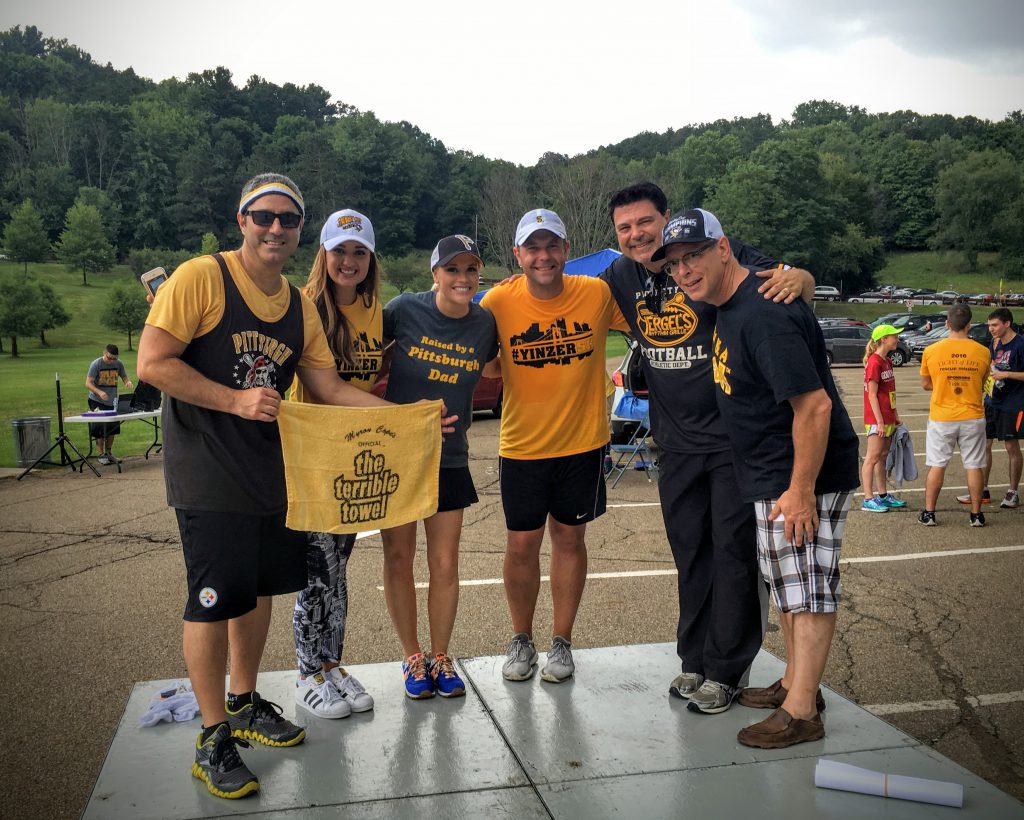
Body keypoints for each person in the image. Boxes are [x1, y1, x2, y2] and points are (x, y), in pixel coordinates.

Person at [137, 174, 413, 800]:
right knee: (213, 600)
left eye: (288, 220)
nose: (275, 228)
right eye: (264, 216)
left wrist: (399, 418)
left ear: (299, 231)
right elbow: (152, 363)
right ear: (242, 220)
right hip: (207, 472)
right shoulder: (201, 278)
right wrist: (233, 400)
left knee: (257, 591)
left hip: (270, 470)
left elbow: (327, 387)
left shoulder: (297, 305)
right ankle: (212, 738)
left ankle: (242, 701)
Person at [601, 182, 815, 714]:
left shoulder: (718, 250)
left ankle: (726, 670)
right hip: (673, 443)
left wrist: (804, 277)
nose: (635, 235)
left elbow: (789, 281)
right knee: (690, 554)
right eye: (624, 228)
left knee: (734, 556)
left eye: (644, 223)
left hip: (731, 440)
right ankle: (693, 659)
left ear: (666, 219)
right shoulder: (621, 276)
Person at [655, 208, 859, 749]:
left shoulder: (763, 313)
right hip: (769, 473)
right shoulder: (729, 305)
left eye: (693, 255)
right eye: (675, 263)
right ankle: (795, 682)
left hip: (798, 474)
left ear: (726, 249)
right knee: (787, 586)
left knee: (808, 589)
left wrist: (800, 490)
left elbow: (813, 407)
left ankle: (801, 713)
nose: (684, 270)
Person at [482, 208, 625, 684]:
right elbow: (472, 353)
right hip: (521, 446)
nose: (543, 256)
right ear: (518, 254)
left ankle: (561, 642)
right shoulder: (498, 302)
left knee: (570, 539)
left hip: (582, 445)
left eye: (552, 246)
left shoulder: (597, 293)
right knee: (521, 545)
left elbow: (652, 315)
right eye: (533, 247)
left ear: (566, 250)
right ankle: (521, 638)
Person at [380, 235, 498, 699]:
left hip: (450, 456)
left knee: (446, 562)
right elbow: (364, 349)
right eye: (452, 270)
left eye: (471, 270)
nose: (462, 279)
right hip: (398, 453)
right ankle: (412, 657)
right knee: (398, 558)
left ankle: (441, 654)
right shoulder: (405, 309)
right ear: (435, 273)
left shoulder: (484, 323)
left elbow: (491, 371)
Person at [289, 209, 383, 720]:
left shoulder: (373, 309)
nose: (349, 261)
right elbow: (331, 388)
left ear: (371, 260)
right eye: (340, 250)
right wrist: (403, 417)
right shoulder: (304, 308)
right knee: (316, 571)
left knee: (339, 569)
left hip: (355, 459)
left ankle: (330, 663)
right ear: (322, 255)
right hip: (313, 457)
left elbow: (372, 371)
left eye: (359, 252)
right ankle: (307, 671)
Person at [918, 303, 992, 526]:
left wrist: (944, 384)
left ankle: (929, 513)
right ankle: (976, 514)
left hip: (942, 416)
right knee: (974, 464)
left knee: (937, 464)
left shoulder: (931, 351)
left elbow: (926, 384)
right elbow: (983, 382)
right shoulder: (983, 351)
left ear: (947, 323)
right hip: (972, 415)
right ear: (969, 324)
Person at [957, 308, 1023, 509]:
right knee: (984, 444)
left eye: (994, 325)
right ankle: (982, 489)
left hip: (1013, 403)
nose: (991, 329)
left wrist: (1007, 375)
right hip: (992, 401)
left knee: (1011, 446)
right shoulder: (994, 344)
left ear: (1007, 324)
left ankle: (1012, 491)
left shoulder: (1020, 344)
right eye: (989, 325)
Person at [859, 325, 907, 513]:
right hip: (876, 419)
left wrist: (895, 415)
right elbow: (872, 395)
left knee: (883, 457)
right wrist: (879, 422)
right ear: (883, 339)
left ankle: (883, 495)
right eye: (894, 336)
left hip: (887, 417)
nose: (897, 339)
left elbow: (889, 392)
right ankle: (868, 499)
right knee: (871, 458)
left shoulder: (887, 361)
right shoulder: (874, 362)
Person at [85, 343, 133, 465]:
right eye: (109, 358)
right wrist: (99, 392)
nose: (112, 361)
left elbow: (124, 377)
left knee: (113, 427)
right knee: (100, 427)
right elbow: (88, 383)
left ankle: (108, 453)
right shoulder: (96, 364)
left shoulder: (119, 364)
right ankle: (101, 454)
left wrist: (127, 382)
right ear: (104, 353)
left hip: (112, 400)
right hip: (96, 400)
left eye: (114, 358)